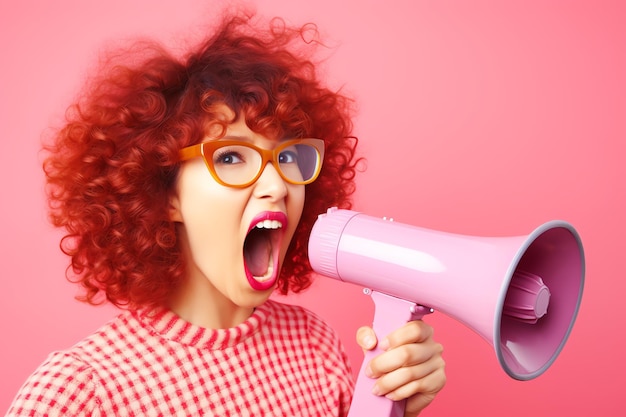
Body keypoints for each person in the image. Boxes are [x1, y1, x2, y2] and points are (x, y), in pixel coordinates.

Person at [6, 11, 445, 417]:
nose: (277, 184)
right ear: (166, 192)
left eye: (288, 158)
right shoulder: (83, 390)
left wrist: (392, 407)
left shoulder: (314, 343)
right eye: (232, 158)